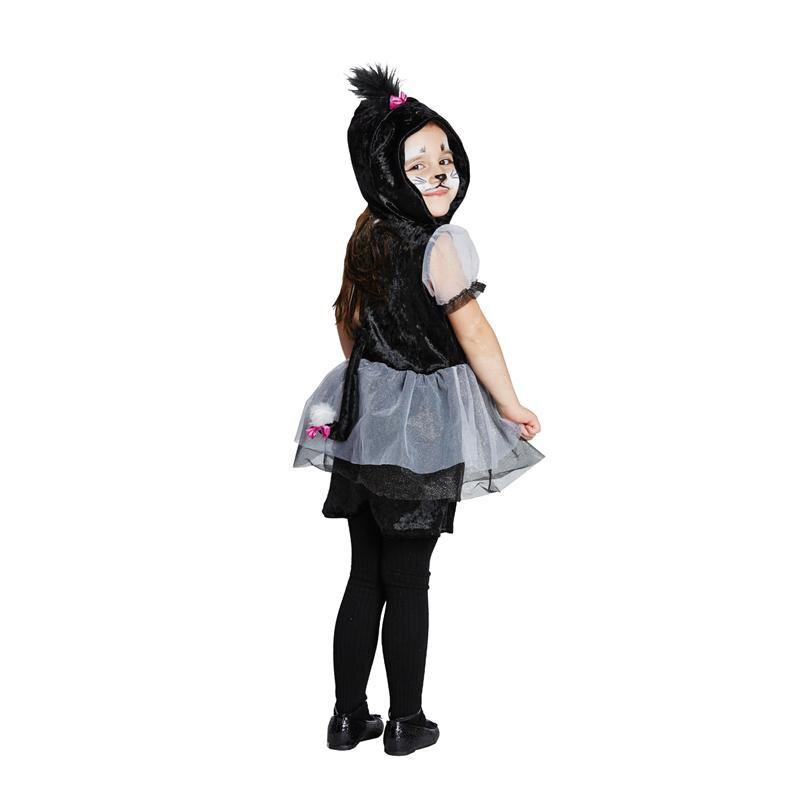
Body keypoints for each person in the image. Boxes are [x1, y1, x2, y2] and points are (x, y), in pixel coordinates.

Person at [292, 64, 546, 756]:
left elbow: (346, 320)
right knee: (407, 577)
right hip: (421, 435)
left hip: (360, 422)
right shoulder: (440, 247)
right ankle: (406, 721)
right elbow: (474, 332)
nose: (439, 175)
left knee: (364, 574)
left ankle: (348, 717)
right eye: (418, 166)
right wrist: (510, 404)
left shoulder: (366, 233)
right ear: (385, 174)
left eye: (446, 161)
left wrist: (374, 375)